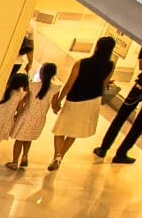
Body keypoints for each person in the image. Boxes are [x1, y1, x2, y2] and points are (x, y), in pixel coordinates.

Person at [46, 35, 119, 170]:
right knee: (73, 132)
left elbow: (69, 84)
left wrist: (59, 100)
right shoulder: (110, 65)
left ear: (97, 47)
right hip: (92, 100)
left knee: (60, 130)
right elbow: (104, 84)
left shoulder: (81, 63)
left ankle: (56, 156)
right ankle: (59, 156)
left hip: (75, 98)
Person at [94, 46, 142, 163]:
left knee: (121, 116)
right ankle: (122, 153)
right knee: (140, 122)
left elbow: (141, 65)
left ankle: (104, 148)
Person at [0, 63, 54, 172]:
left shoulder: (3, 91)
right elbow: (20, 109)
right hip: (7, 122)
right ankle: (22, 156)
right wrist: (15, 116)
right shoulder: (20, 95)